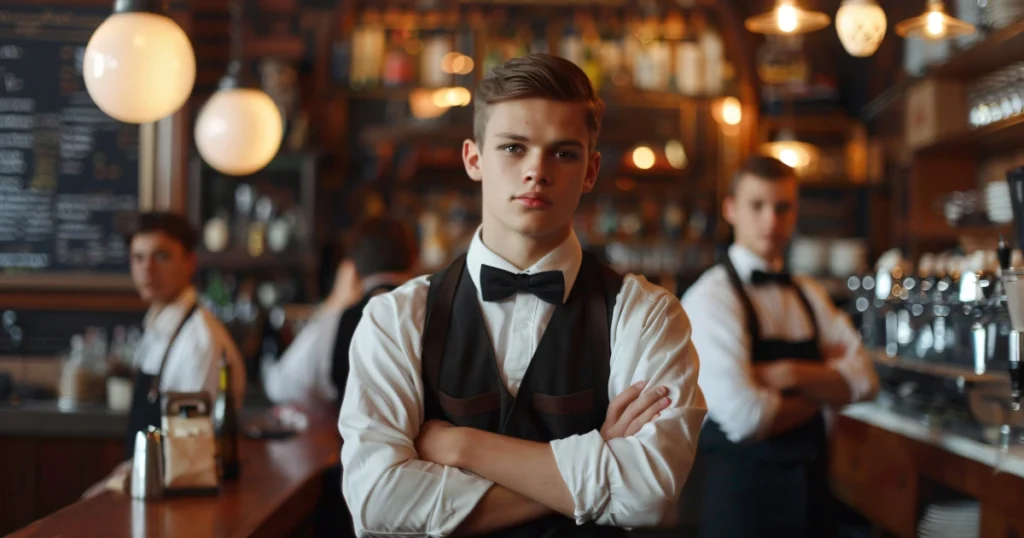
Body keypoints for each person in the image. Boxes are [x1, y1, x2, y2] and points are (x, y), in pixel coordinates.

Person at [338, 53, 706, 538]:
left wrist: (462, 447)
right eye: (514, 148)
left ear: (591, 170)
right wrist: (597, 458)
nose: (537, 170)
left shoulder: (647, 316)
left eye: (563, 153)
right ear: (474, 159)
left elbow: (648, 496)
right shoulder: (396, 317)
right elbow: (376, 503)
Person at [679, 155, 879, 538]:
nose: (771, 220)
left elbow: (866, 380)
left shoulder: (808, 292)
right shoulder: (710, 298)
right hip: (743, 509)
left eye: (782, 207)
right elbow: (749, 417)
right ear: (731, 209)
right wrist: (825, 390)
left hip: (814, 503)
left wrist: (786, 375)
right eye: (757, 206)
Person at [84, 211, 245, 497]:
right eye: (138, 258)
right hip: (147, 485)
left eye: (162, 257)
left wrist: (113, 485)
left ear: (190, 262)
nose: (147, 269)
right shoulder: (159, 324)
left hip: (175, 495)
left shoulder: (199, 341)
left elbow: (190, 449)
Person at [262, 215, 419, 410]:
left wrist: (333, 303)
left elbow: (280, 386)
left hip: (352, 439)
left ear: (351, 267)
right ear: (415, 259)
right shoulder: (437, 311)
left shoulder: (337, 322)